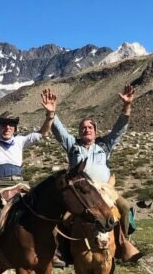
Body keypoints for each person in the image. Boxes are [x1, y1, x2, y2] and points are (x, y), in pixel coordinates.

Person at [41, 85, 140, 261]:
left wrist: (127, 106)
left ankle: (123, 242)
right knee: (63, 217)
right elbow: (59, 131)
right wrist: (52, 113)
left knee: (124, 208)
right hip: (80, 191)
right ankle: (62, 250)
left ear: (95, 131)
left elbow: (119, 129)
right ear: (79, 131)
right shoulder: (73, 145)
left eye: (90, 127)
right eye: (83, 127)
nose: (86, 129)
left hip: (104, 190)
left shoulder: (104, 145)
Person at [0, 93, 53, 266]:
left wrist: (50, 115)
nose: (7, 127)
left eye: (11, 125)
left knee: (43, 206)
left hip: (20, 184)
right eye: (4, 125)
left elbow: (43, 133)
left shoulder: (21, 141)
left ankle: (51, 247)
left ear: (15, 128)